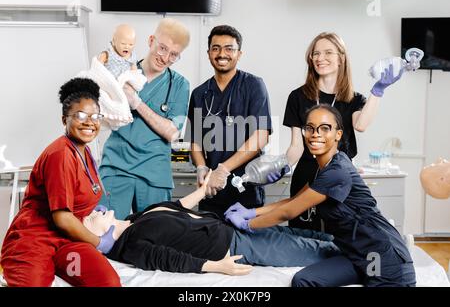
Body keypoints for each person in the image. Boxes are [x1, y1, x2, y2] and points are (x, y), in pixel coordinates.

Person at [225, 104, 416, 287]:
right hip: (356, 254)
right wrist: (252, 211)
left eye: (325, 128)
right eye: (310, 128)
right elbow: (293, 201)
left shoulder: (337, 172)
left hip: (383, 259)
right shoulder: (322, 170)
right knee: (304, 280)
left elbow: (288, 212)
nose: (315, 134)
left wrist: (248, 224)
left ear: (337, 135)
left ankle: (402, 249)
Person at [83, 170, 340, 275]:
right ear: (98, 240)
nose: (92, 213)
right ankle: (360, 259)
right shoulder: (132, 245)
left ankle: (356, 246)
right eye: (88, 220)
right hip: (233, 246)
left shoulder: (135, 218)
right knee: (313, 251)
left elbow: (177, 206)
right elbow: (169, 259)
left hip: (232, 227)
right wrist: (216, 267)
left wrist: (204, 189)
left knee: (308, 235)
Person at [0, 78, 120, 287]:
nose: (89, 122)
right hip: (35, 240)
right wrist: (99, 242)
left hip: (67, 242)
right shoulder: (61, 154)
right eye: (80, 115)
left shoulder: (86, 152)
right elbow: (63, 219)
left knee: (107, 282)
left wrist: (87, 211)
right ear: (65, 119)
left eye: (95, 116)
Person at [278, 32, 403, 230]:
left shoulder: (354, 100)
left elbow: (361, 125)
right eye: (315, 53)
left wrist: (378, 90)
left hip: (339, 178)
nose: (320, 58)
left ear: (341, 58)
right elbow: (296, 147)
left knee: (339, 239)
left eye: (328, 52)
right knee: (302, 240)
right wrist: (279, 167)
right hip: (305, 177)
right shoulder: (298, 97)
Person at [99, 18, 191, 220]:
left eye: (174, 54)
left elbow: (172, 132)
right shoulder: (122, 72)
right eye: (162, 48)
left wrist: (136, 102)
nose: (165, 57)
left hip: (154, 174)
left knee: (153, 239)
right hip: (117, 166)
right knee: (107, 234)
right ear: (151, 41)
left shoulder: (179, 85)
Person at [186, 25, 272, 218]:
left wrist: (224, 169)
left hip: (247, 190)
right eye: (215, 48)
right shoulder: (200, 94)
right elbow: (195, 141)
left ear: (239, 54)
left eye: (229, 48)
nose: (221, 54)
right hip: (212, 191)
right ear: (208, 53)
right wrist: (201, 167)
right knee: (211, 245)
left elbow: (261, 136)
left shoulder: (253, 86)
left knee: (246, 245)